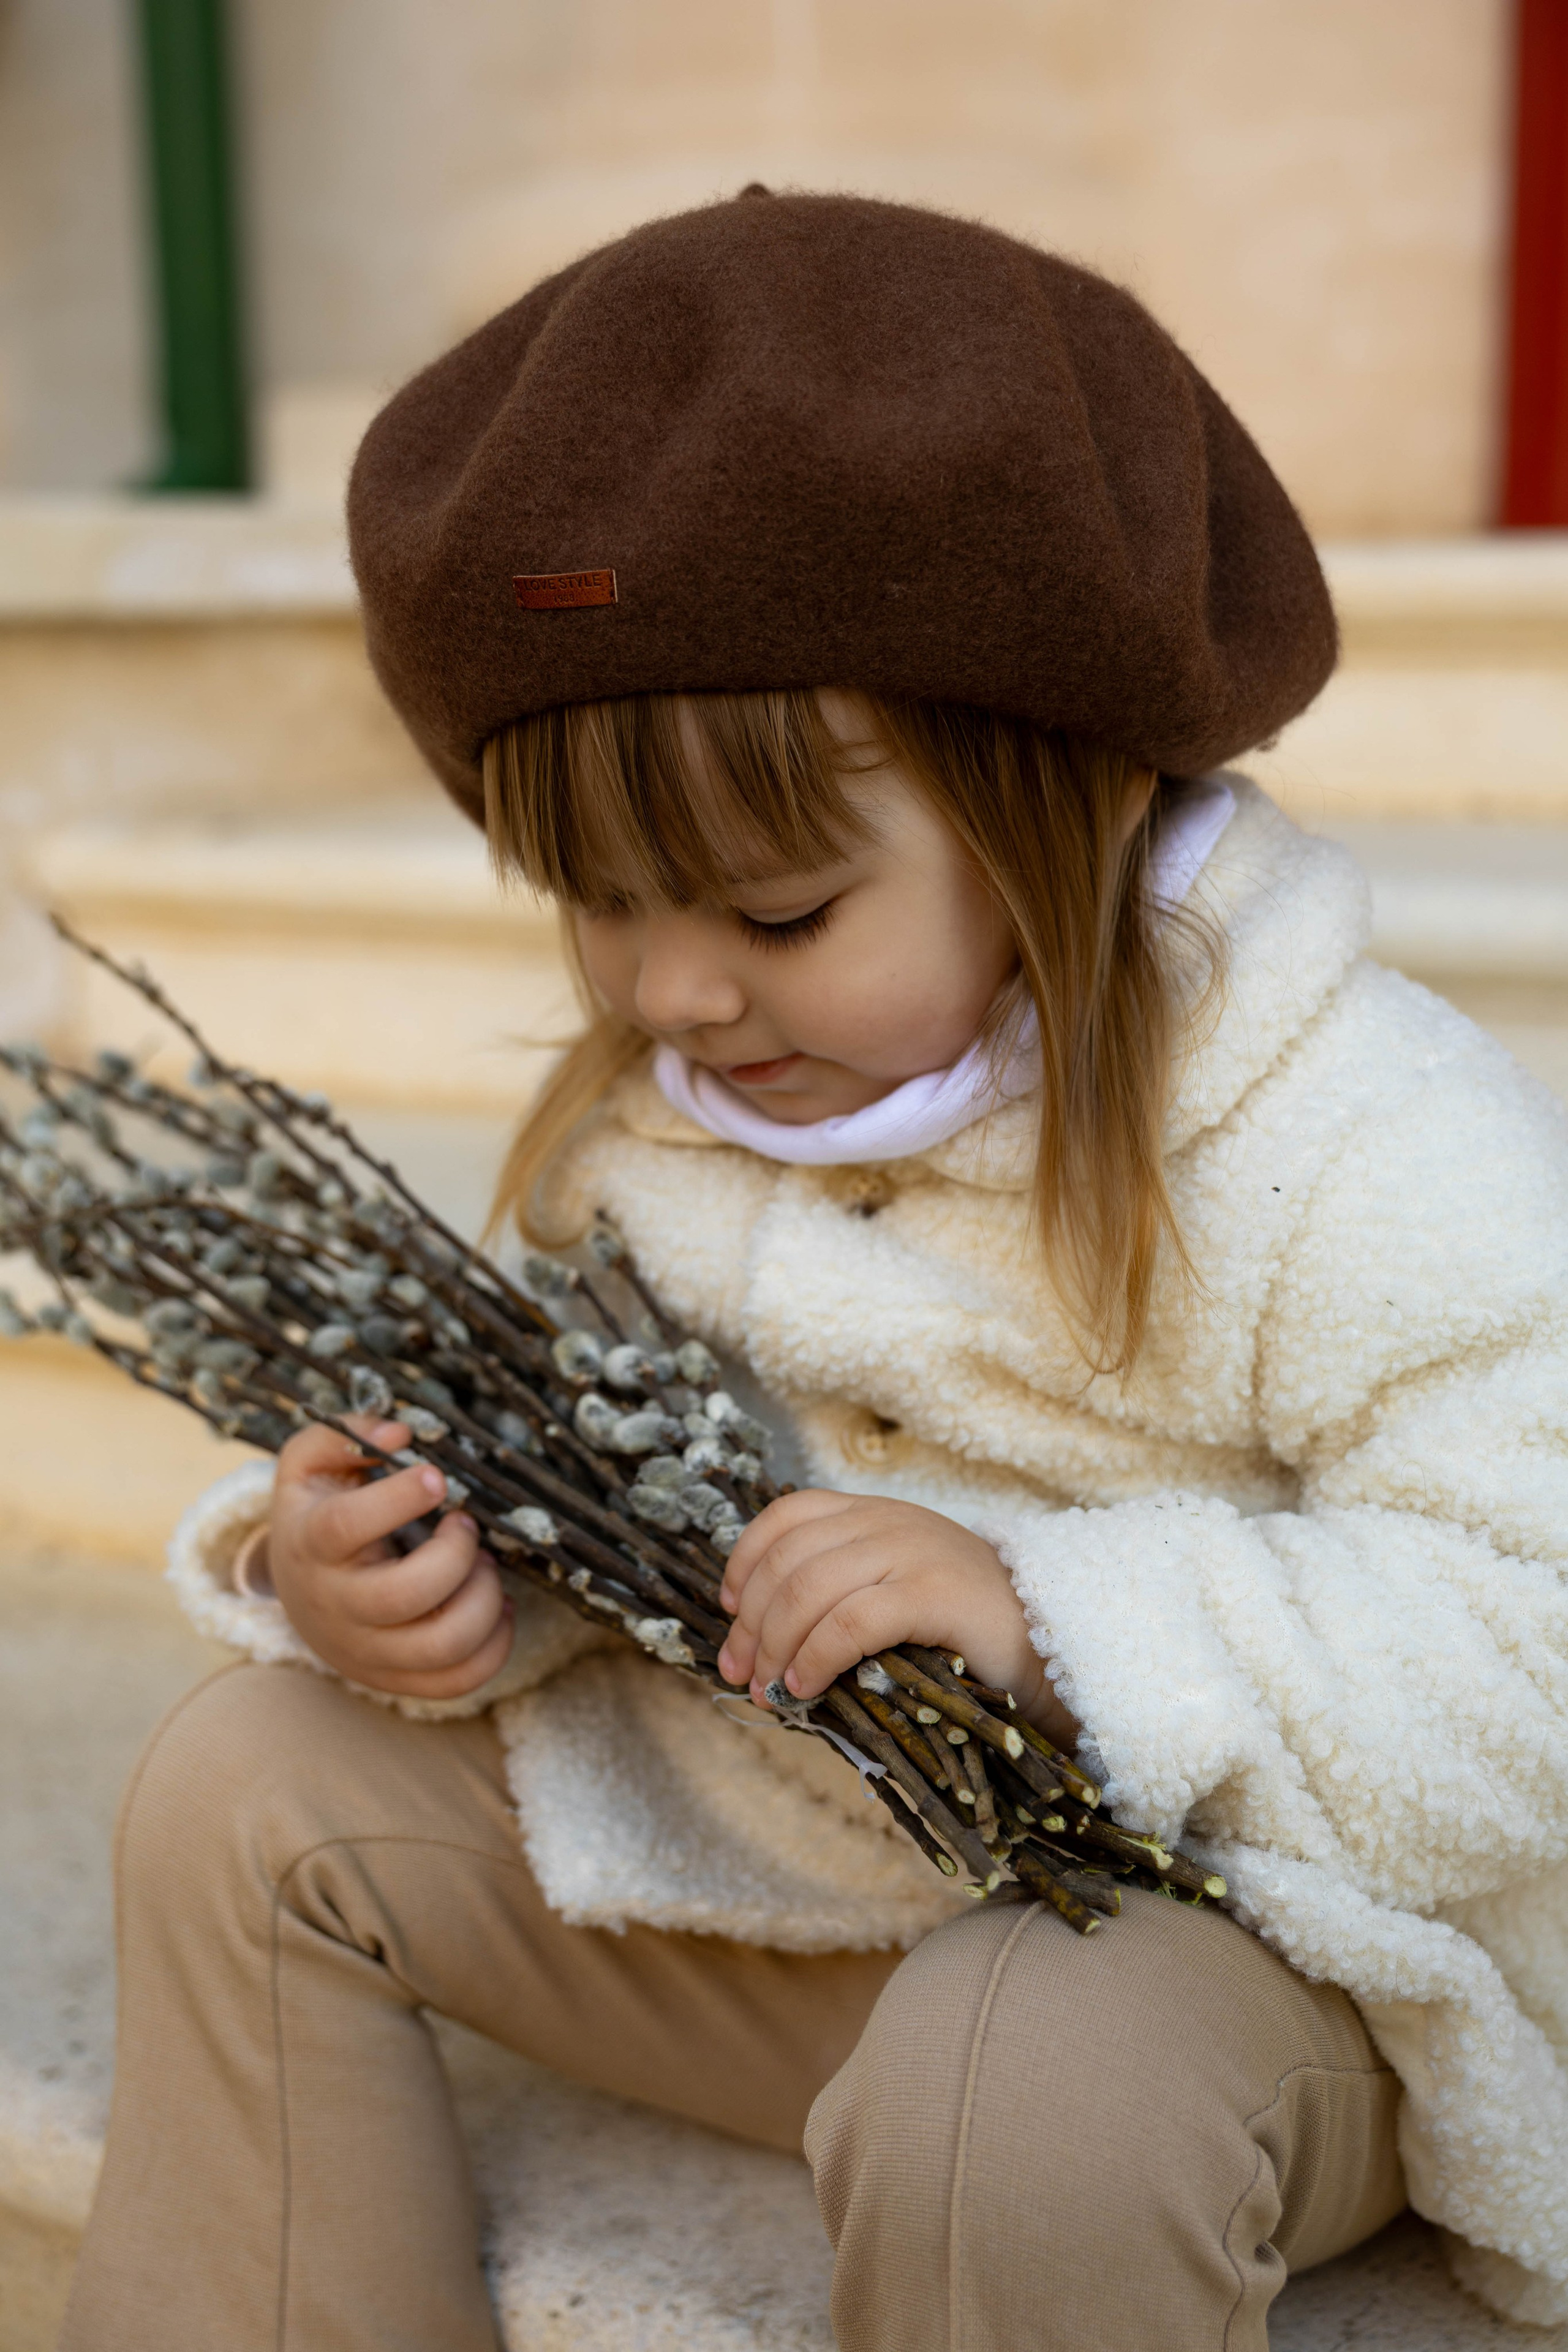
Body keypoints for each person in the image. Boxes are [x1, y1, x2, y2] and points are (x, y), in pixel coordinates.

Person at [62, 191, 1568, 2352]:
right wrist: (410, 1585)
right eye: (599, 903)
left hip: (1237, 1972)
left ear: (1063, 809)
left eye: (775, 913)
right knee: (243, 1784)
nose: (674, 990)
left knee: (1020, 2085)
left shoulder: (1352, 1136)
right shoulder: (661, 1122)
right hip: (796, 1892)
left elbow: (1534, 1633)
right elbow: (618, 1479)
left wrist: (1059, 1620)